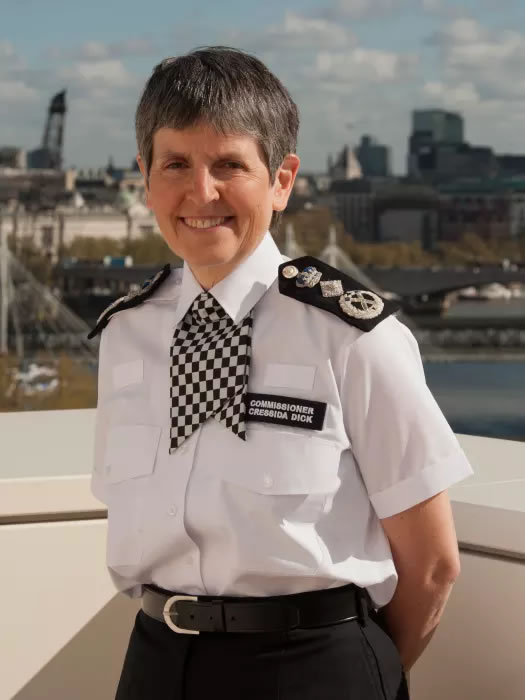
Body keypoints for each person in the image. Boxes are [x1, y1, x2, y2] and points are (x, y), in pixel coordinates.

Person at [89, 46, 474, 700]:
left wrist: (362, 681)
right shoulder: (127, 335)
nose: (201, 192)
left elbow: (433, 565)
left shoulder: (350, 337)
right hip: (156, 660)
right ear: (145, 178)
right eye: (176, 164)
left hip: (311, 668)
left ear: (281, 180)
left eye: (229, 164)